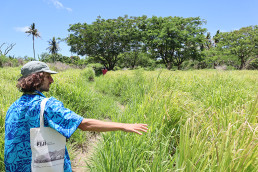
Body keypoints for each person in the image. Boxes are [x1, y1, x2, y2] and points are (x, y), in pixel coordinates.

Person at [4, 61, 148, 172]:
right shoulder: (47, 105)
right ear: (37, 78)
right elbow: (84, 124)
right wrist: (124, 126)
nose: (52, 81)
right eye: (48, 77)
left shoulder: (13, 107)